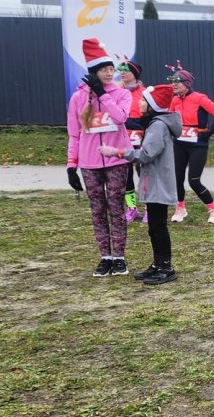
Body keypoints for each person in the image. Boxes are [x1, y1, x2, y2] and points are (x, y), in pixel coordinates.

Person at [99, 84, 182, 285]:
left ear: (153, 105)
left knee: (158, 226)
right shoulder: (155, 123)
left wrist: (117, 152)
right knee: (154, 227)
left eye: (144, 100)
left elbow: (145, 155)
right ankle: (158, 263)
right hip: (154, 183)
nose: (140, 102)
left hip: (158, 184)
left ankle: (165, 267)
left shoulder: (157, 126)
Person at [66, 38, 133, 277]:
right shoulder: (77, 98)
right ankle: (105, 256)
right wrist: (71, 165)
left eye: (111, 69)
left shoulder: (121, 94)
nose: (109, 73)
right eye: (103, 69)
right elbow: (74, 134)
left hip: (117, 160)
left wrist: (102, 94)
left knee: (116, 207)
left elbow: (121, 117)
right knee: (97, 210)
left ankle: (120, 257)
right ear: (93, 72)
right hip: (89, 163)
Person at [167, 64, 214, 224]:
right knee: (177, 178)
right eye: (172, 81)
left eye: (177, 82)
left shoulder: (199, 98)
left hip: (197, 145)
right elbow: (171, 119)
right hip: (179, 143)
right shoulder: (174, 100)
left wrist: (208, 133)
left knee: (194, 180)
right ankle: (180, 208)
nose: (174, 84)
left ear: (186, 84)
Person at [118, 59, 145, 223]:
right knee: (126, 175)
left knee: (143, 173)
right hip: (122, 136)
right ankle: (132, 208)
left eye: (125, 70)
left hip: (141, 136)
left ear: (134, 73)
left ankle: (149, 208)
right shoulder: (116, 91)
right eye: (120, 70)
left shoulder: (145, 92)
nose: (122, 72)